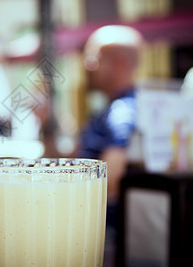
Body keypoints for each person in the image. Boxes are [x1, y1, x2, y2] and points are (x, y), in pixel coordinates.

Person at [76, 25, 144, 267]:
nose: (87, 65)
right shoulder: (112, 109)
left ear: (121, 63)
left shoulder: (122, 112)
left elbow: (110, 178)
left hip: (102, 238)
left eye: (93, 57)